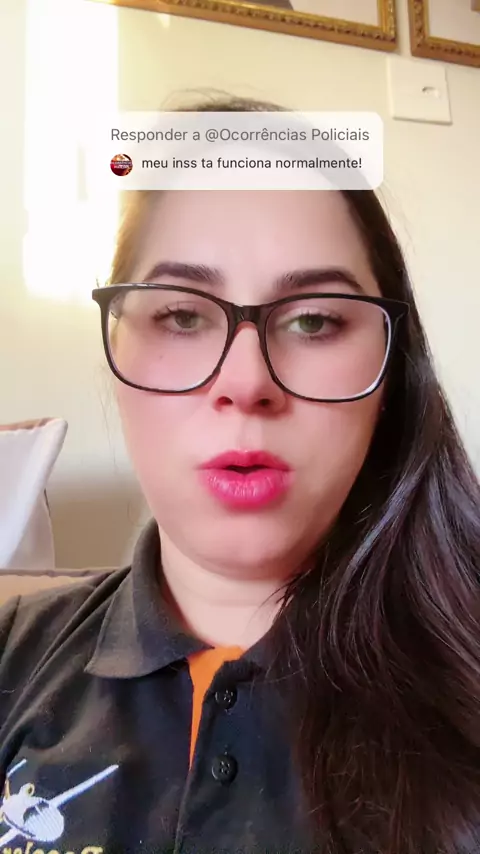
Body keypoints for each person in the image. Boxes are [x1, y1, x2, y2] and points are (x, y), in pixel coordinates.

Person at [1, 95, 479, 854]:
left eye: (315, 319)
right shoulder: (12, 652)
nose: (247, 382)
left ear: (393, 371)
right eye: (183, 316)